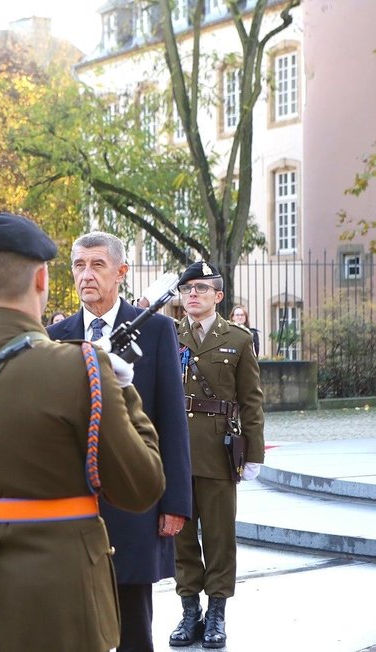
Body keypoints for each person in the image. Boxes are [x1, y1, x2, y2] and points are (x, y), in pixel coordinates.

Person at [0, 213, 165, 652]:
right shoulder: (82, 368)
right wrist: (123, 391)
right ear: (43, 278)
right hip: (62, 593)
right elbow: (141, 486)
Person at [48, 231, 192, 652]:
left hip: (133, 499)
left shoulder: (157, 331)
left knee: (133, 625)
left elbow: (171, 420)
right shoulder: (57, 336)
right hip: (73, 502)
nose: (86, 275)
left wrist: (175, 503)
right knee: (75, 626)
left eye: (97, 265)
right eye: (79, 265)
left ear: (121, 272)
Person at [169, 261, 265, 649]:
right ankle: (190, 611)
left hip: (219, 449)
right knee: (182, 535)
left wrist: (253, 453)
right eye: (187, 288)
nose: (193, 294)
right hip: (175, 449)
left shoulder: (238, 339)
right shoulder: (169, 335)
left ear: (218, 296)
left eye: (202, 288)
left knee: (220, 537)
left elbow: (251, 402)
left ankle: (217, 614)